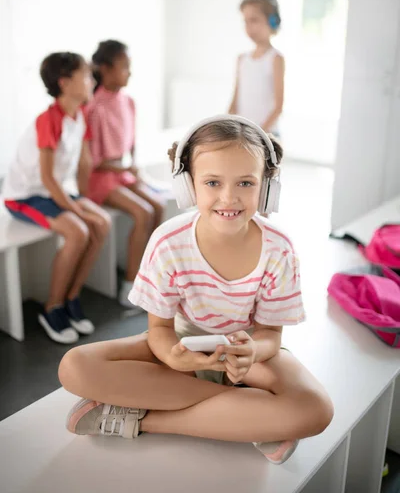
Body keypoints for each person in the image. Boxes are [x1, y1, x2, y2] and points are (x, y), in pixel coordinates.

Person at [59, 115, 333, 464]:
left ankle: (147, 421)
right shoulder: (168, 241)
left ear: (266, 186)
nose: (229, 198)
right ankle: (249, 415)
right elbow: (158, 330)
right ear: (188, 186)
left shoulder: (278, 248)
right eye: (213, 182)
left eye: (246, 183)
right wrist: (173, 355)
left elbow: (269, 335)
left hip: (244, 357)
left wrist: (252, 351)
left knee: (316, 409)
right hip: (181, 347)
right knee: (74, 366)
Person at [2, 52, 111, 344]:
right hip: (24, 197)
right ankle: (52, 307)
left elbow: (82, 165)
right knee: (78, 231)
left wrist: (85, 203)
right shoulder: (48, 120)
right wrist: (76, 209)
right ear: (64, 83)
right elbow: (48, 177)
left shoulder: (79, 115)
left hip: (54, 191)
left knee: (102, 222)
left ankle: (71, 297)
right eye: (86, 75)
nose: (92, 80)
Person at [84, 40, 165, 309]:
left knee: (157, 207)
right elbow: (95, 162)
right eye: (124, 67)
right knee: (142, 213)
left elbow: (131, 145)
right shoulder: (94, 107)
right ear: (105, 69)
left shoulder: (128, 101)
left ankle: (148, 275)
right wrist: (126, 168)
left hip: (122, 174)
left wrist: (134, 169)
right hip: (101, 177)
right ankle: (131, 285)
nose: (129, 72)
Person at [229, 0, 284, 137]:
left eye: (254, 20)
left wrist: (259, 133)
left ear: (273, 21)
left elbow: (278, 107)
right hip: (244, 135)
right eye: (245, 21)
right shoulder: (242, 59)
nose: (248, 27)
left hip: (266, 135)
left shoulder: (275, 59)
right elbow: (235, 99)